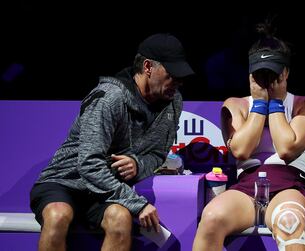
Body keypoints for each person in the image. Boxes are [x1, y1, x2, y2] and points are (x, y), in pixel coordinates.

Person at [30, 33, 194, 251]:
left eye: (181, 76)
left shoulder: (173, 102)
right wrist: (137, 203)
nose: (178, 82)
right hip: (66, 181)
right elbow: (89, 163)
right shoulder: (109, 98)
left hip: (105, 191)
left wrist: (137, 163)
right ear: (148, 67)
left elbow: (157, 155)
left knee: (120, 219)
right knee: (58, 214)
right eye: (172, 75)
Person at [193, 21, 305, 251]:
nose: (267, 80)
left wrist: (275, 103)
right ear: (250, 74)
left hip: (288, 186)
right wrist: (259, 105)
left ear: (286, 72)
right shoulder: (236, 105)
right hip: (246, 188)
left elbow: (286, 149)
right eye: (260, 74)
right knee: (211, 217)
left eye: (273, 73)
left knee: (289, 222)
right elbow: (241, 150)